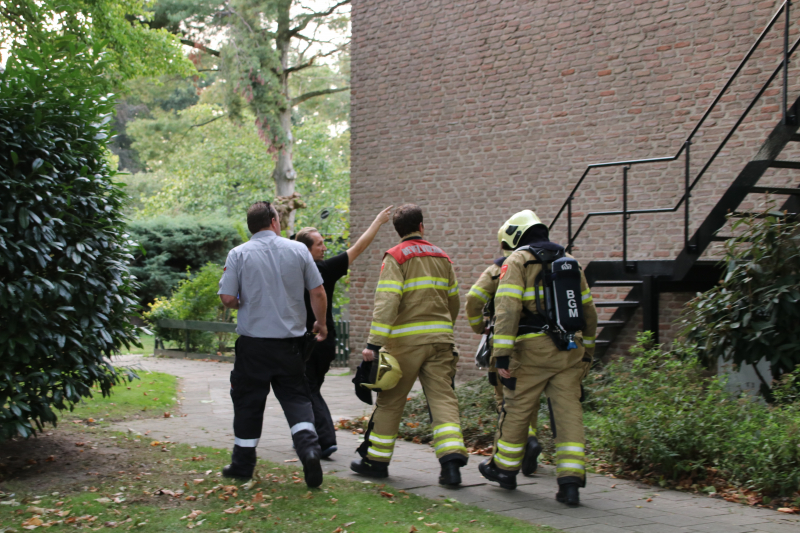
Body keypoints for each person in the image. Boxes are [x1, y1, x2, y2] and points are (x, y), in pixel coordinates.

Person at [478, 209, 597, 507]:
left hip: (530, 351)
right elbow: (588, 311)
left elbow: (507, 308)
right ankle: (570, 483)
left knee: (516, 408)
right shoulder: (569, 260)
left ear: (516, 236)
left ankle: (504, 470)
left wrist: (501, 355)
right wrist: (589, 351)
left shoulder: (517, 260)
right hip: (570, 351)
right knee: (569, 414)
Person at [351, 204, 467, 486]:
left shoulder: (395, 256)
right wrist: (443, 328)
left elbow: (387, 302)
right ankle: (451, 465)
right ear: (422, 226)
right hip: (441, 341)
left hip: (405, 344)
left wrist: (374, 344)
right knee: (443, 399)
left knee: (390, 401)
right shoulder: (442, 256)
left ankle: (376, 462)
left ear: (397, 230)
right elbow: (454, 300)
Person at [217, 201, 328, 488]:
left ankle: (242, 465)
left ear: (252, 225)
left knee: (248, 403)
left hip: (253, 347)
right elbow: (317, 291)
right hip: (290, 346)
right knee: (296, 399)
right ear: (274, 221)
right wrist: (321, 323)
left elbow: (227, 298)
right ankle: (309, 449)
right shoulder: (298, 250)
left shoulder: (238, 254)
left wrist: (244, 302)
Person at [294, 206, 393, 459]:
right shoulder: (320, 270)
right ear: (306, 249)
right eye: (319, 245)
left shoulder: (308, 270)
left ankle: (324, 440)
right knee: (309, 387)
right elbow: (358, 247)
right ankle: (311, 437)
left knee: (307, 390)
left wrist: (377, 222)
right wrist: (377, 221)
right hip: (322, 342)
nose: (324, 248)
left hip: (310, 341)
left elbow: (358, 248)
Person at [465, 233, 542, 477]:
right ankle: (529, 448)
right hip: (536, 345)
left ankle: (524, 442)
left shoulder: (498, 269)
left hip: (503, 345)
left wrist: (479, 327)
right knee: (529, 400)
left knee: (505, 399)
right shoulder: (538, 263)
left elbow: (473, 299)